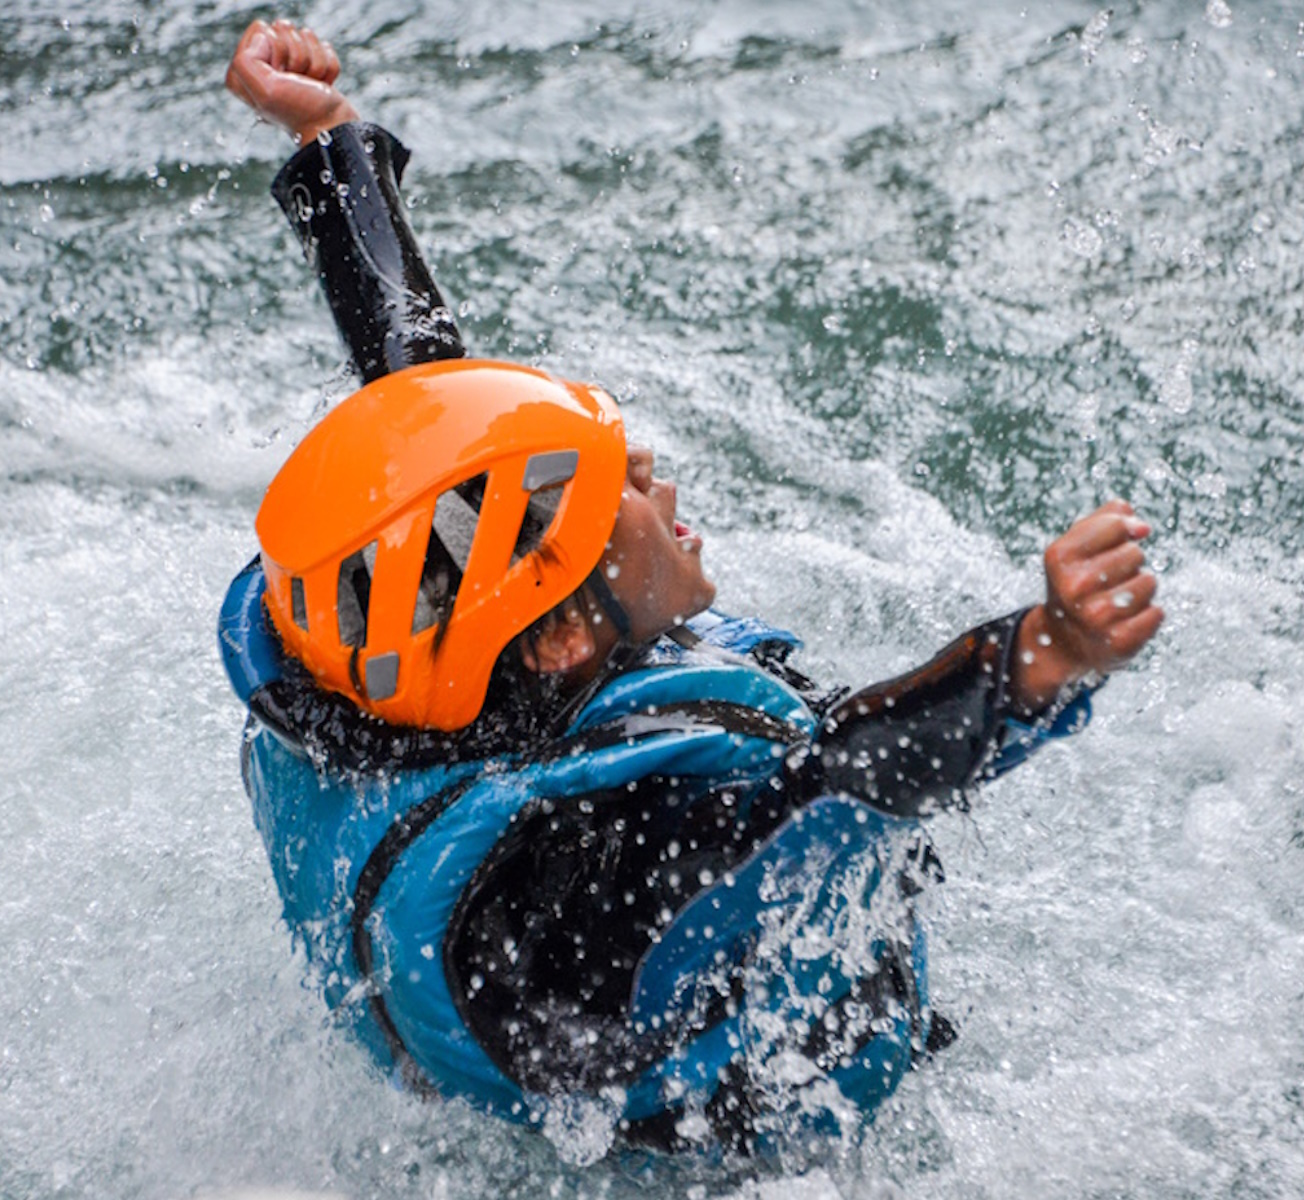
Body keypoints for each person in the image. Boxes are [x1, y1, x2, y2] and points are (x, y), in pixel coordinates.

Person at [219, 20, 1164, 1153]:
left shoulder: (433, 651)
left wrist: (330, 145)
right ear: (566, 633)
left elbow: (422, 423)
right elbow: (824, 790)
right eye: (608, 484)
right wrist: (1032, 660)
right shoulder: (602, 866)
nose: (650, 475)